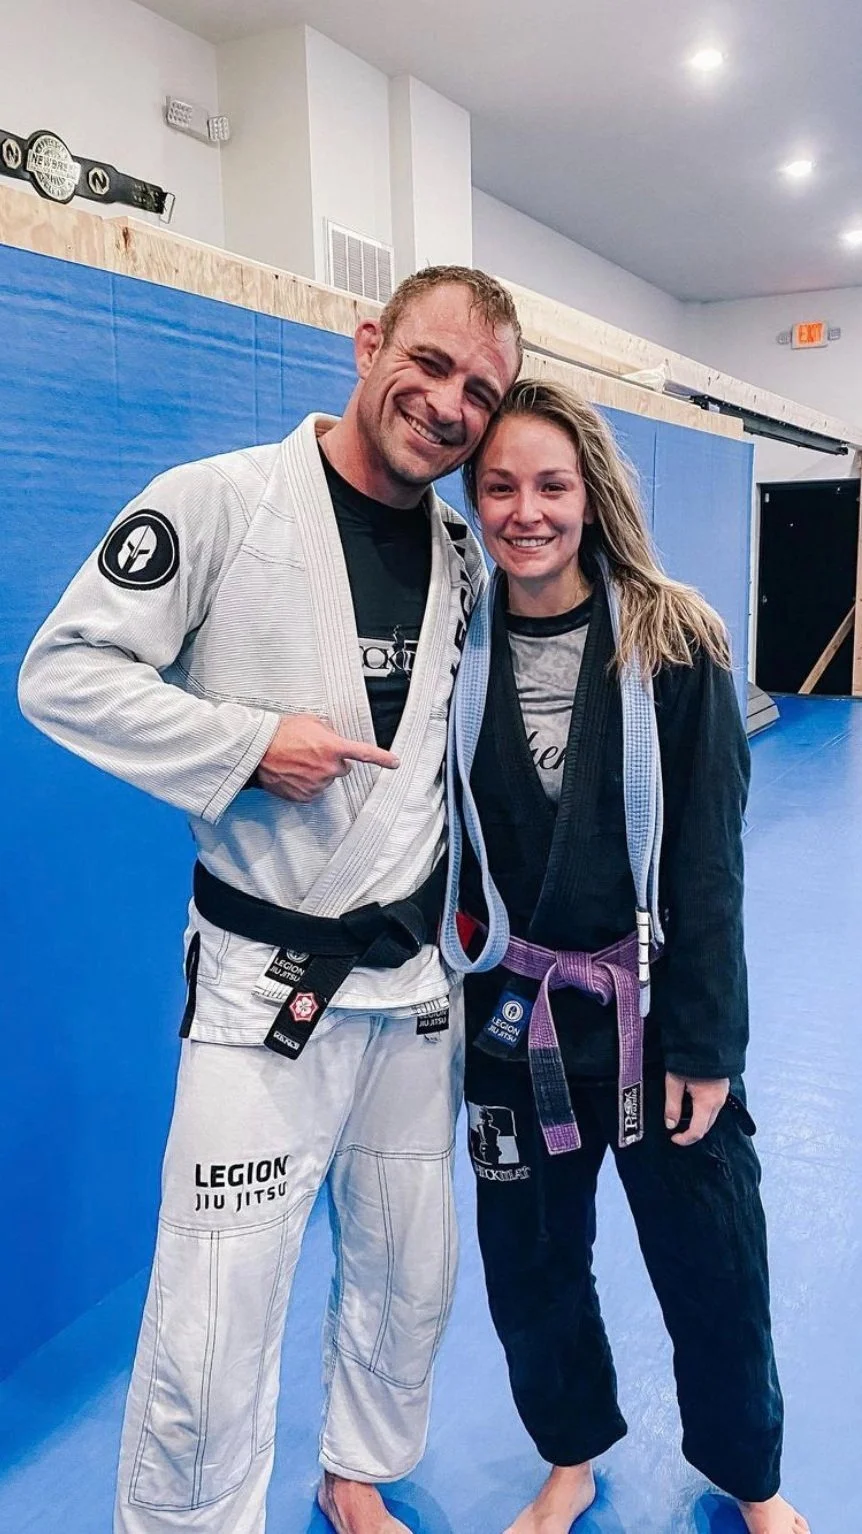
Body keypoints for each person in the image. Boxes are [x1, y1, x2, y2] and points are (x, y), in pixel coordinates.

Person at [17, 266, 522, 1534]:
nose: (449, 403)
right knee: (218, 1301)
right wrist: (246, 744)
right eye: (431, 362)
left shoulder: (463, 553)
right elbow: (63, 672)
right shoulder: (221, 502)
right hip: (264, 991)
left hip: (417, 992)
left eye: (482, 390)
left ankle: (355, 1471)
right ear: (368, 344)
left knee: (411, 1270)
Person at [441, 380, 809, 1534]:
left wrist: (706, 1043)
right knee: (531, 1258)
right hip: (516, 1013)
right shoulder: (459, 638)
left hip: (653, 1012)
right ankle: (571, 1454)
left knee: (713, 1259)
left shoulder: (675, 636)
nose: (525, 510)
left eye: (550, 484)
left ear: (591, 495)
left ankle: (749, 1474)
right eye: (498, 486)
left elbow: (707, 862)